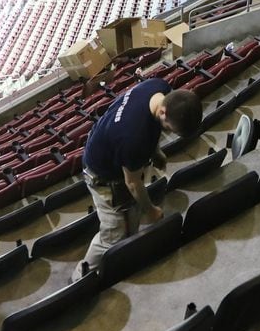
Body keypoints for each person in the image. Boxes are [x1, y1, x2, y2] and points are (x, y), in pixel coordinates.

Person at [76, 80, 201, 279]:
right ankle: (80, 280)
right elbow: (132, 184)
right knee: (115, 236)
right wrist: (150, 210)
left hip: (108, 144)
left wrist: (155, 150)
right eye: (171, 129)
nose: (169, 132)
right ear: (163, 113)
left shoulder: (159, 87)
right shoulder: (133, 138)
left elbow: (152, 125)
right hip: (105, 176)